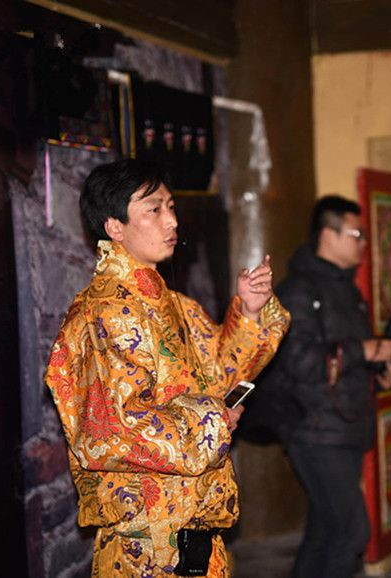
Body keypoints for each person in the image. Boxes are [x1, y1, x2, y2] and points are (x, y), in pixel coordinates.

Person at [45, 158, 290, 577]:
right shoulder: (106, 313)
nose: (172, 220)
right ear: (114, 226)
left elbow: (218, 373)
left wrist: (250, 311)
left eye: (171, 206)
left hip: (194, 532)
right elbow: (109, 433)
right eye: (154, 209)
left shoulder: (174, 304)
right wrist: (214, 420)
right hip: (147, 548)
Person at [270, 195, 391, 578]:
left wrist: (379, 373)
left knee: (326, 530)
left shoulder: (346, 288)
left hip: (345, 426)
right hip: (314, 429)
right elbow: (298, 362)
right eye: (356, 234)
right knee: (352, 530)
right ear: (328, 234)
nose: (363, 243)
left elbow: (345, 361)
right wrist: (364, 350)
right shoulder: (298, 290)